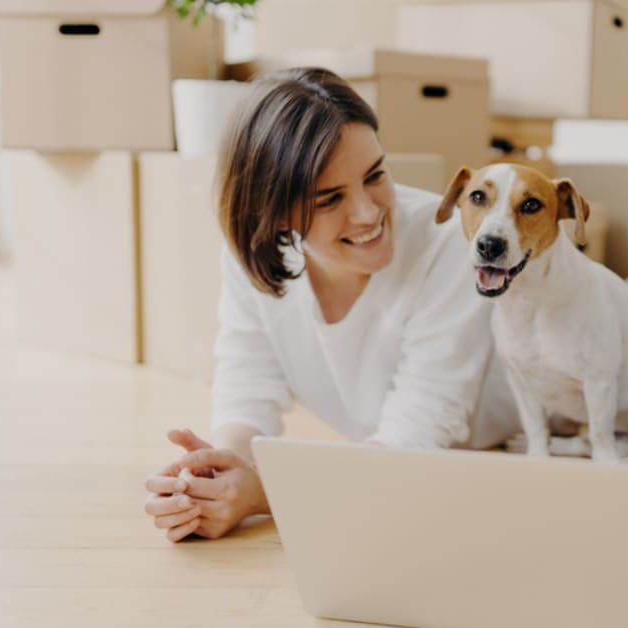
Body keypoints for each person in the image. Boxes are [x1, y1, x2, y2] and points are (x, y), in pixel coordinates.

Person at [142, 67, 516, 542]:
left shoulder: (449, 243)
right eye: (330, 198)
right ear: (274, 214)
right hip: (385, 460)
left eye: (375, 175)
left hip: (515, 437)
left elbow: (412, 443)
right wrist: (214, 474)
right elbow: (248, 386)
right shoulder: (257, 256)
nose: (368, 212)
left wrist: (264, 494)